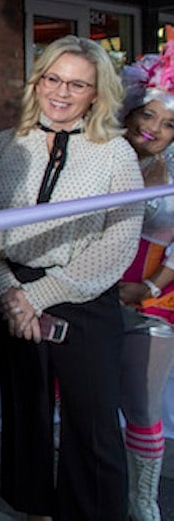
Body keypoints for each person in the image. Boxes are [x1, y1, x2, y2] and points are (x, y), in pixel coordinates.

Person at [0, 34, 145, 520]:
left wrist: (37, 297)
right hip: (10, 290)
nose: (62, 93)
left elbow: (118, 244)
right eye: (54, 79)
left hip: (82, 297)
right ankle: (32, 509)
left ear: (96, 94)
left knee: (93, 423)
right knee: (26, 416)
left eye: (78, 85)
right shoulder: (3, 144)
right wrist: (8, 291)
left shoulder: (116, 154)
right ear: (38, 80)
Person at [116, 42, 174, 521]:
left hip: (152, 299)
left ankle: (144, 499)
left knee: (142, 400)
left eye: (170, 123)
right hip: (85, 293)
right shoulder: (101, 158)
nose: (153, 128)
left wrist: (151, 287)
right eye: (148, 115)